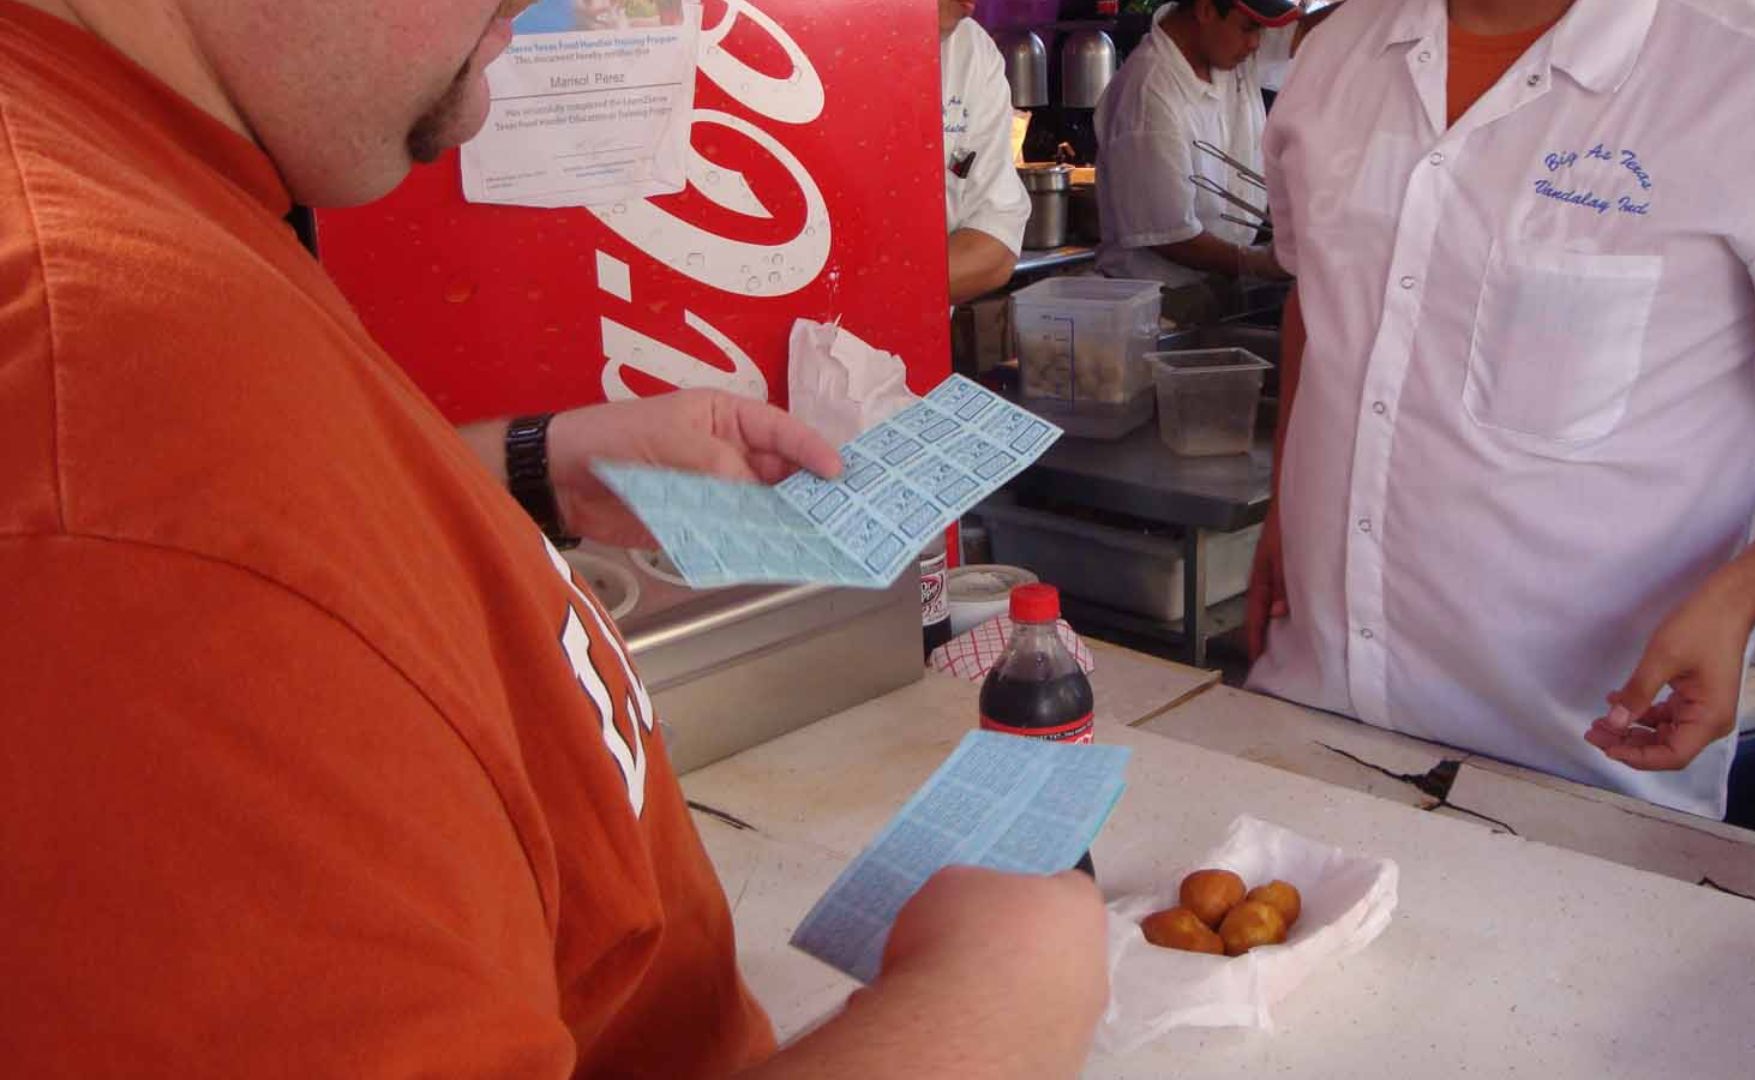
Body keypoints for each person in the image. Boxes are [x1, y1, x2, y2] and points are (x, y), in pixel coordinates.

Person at [0, 1, 1108, 1075]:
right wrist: (984, 1017)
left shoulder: (131, 176)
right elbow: (189, 543)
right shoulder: (111, 447)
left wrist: (522, 469)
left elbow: (285, 528)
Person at [1245, 0, 1755, 818]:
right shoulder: (1336, 54)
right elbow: (1317, 298)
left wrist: (1745, 595)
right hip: (1301, 726)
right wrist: (1289, 503)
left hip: (1583, 780)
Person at [1093, 0, 1297, 291]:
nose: (1255, 43)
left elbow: (1308, 33)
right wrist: (1255, 262)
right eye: (1249, 28)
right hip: (1159, 301)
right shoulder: (1148, 92)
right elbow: (1170, 236)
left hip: (1218, 285)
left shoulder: (1227, 51)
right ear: (1205, 10)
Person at [942, 0, 1032, 304]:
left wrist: (874, 298)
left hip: (915, 340)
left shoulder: (973, 51)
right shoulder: (799, 32)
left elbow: (996, 241)